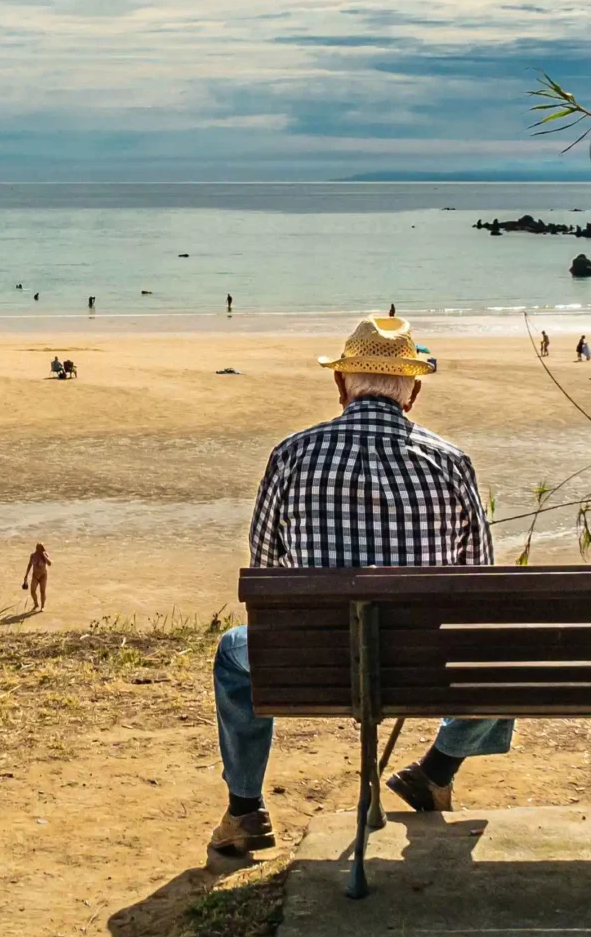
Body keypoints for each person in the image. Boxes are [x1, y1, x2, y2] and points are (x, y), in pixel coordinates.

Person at [209, 314, 508, 856]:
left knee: (233, 657)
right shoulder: (451, 462)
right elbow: (479, 584)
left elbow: (266, 569)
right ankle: (438, 767)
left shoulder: (292, 455)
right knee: (496, 650)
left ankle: (245, 811)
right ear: (412, 392)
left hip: (316, 661)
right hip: (427, 668)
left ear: (341, 385)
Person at [21, 543, 51, 613]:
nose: (38, 550)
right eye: (37, 548)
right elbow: (29, 565)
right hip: (35, 576)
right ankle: (36, 604)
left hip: (43, 575)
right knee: (32, 591)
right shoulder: (32, 556)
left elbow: (50, 563)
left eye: (40, 549)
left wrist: (44, 555)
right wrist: (26, 575)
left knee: (42, 591)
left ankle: (42, 606)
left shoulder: (45, 555)